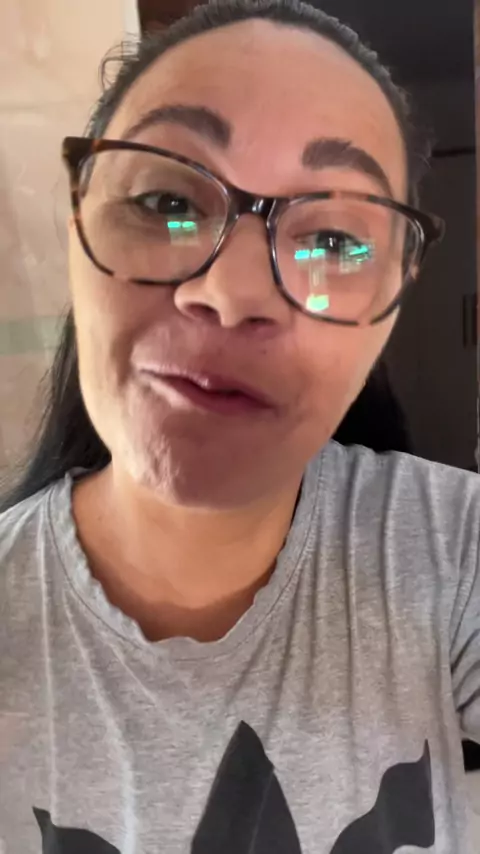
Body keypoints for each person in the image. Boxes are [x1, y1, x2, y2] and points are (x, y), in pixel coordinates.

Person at [0, 1, 477, 852]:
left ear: (394, 300)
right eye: (165, 200)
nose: (233, 294)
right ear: (77, 224)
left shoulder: (456, 553)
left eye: (334, 239)